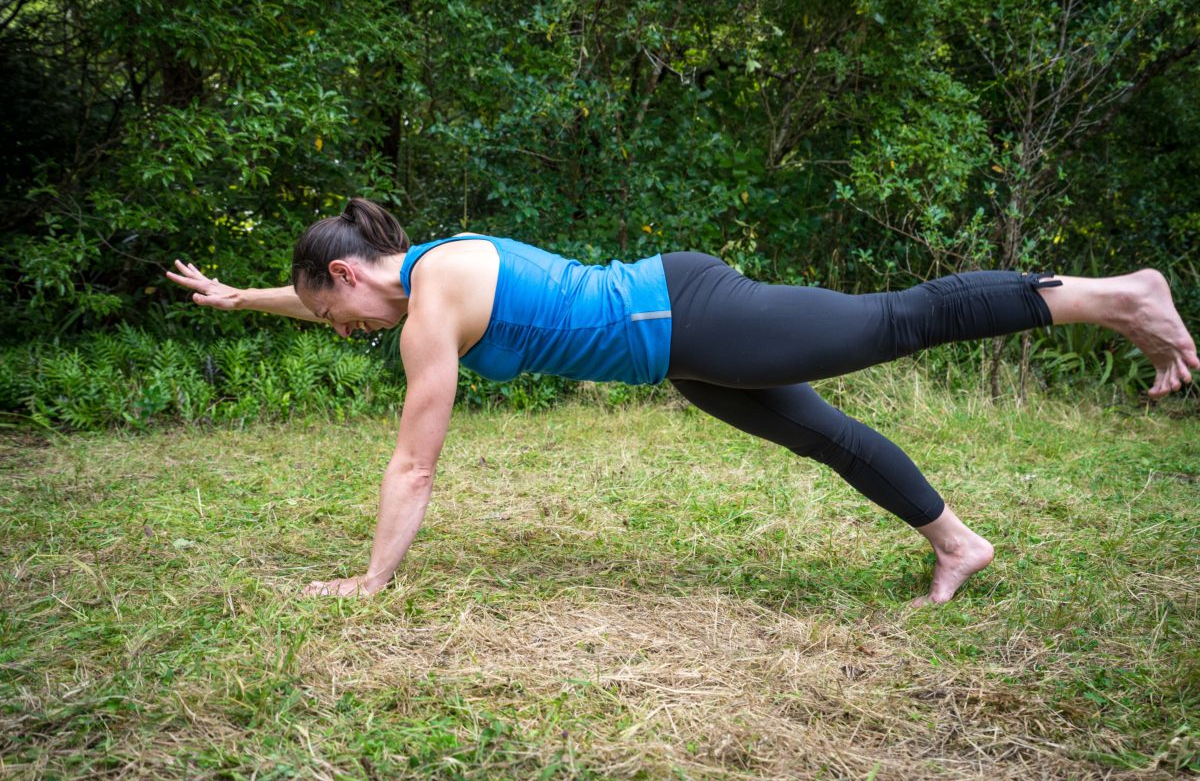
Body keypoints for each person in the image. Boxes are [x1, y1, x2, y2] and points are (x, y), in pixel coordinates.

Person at [165, 197, 1198, 605]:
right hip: (680, 351)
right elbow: (318, 307)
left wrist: (371, 578)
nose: (340, 332)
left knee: (892, 321)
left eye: (329, 311)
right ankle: (956, 540)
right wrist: (238, 295)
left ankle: (1115, 296)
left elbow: (414, 461)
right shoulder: (411, 280)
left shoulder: (432, 300)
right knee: (821, 433)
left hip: (687, 312)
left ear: (349, 276)